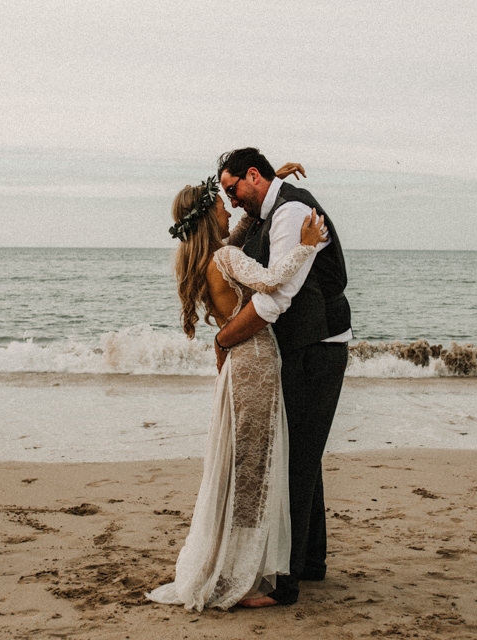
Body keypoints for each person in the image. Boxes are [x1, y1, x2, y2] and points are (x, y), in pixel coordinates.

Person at [146, 165, 328, 611]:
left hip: (237, 366)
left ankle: (235, 564)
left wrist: (271, 180)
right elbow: (269, 281)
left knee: (241, 464)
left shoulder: (208, 259)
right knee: (253, 469)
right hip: (257, 362)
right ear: (208, 218)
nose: (231, 210)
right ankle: (244, 577)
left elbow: (244, 226)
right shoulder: (225, 259)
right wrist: (305, 247)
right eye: (222, 205)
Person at [214, 147, 352, 607]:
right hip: (305, 346)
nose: (232, 201)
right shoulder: (273, 208)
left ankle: (285, 584)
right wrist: (275, 183)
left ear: (253, 175)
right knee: (303, 451)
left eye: (234, 190)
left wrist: (225, 339)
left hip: (318, 346)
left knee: (295, 458)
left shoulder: (291, 211)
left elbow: (279, 297)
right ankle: (311, 564)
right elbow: (247, 234)